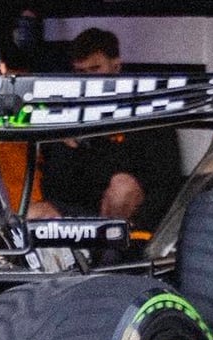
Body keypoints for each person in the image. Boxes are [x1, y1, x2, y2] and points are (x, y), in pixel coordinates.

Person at [31, 28, 183, 233]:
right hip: (83, 213)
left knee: (122, 187)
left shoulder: (146, 109)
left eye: (95, 69)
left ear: (116, 66)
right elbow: (54, 191)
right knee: (33, 212)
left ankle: (113, 247)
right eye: (81, 73)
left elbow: (165, 181)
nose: (88, 79)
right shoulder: (68, 113)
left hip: (132, 220)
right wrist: (67, 149)